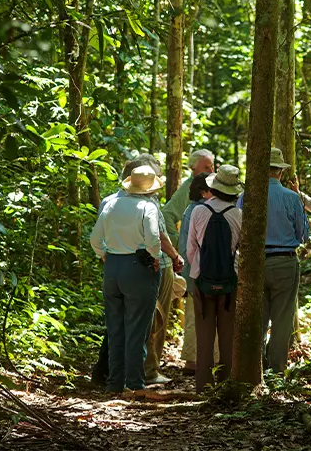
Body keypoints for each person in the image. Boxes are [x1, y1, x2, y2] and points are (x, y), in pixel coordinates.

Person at [91, 155, 183, 386]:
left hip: (112, 267)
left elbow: (94, 239)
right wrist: (154, 258)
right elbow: (154, 240)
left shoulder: (110, 203)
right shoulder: (147, 207)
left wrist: (105, 255)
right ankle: (134, 382)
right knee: (138, 329)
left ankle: (114, 382)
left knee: (115, 328)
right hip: (138, 269)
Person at [237, 148, 308, 372]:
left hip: (256, 263)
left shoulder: (247, 195)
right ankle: (277, 369)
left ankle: (255, 368)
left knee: (258, 318)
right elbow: (303, 234)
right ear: (279, 172)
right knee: (282, 319)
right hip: (285, 261)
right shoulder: (291, 197)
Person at [186, 165, 243, 393]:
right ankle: (226, 385)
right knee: (228, 338)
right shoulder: (239, 215)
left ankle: (204, 388)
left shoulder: (199, 211)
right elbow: (242, 251)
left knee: (205, 338)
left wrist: (199, 269)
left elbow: (191, 248)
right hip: (230, 283)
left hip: (202, 282)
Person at [178, 173, 219, 373]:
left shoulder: (190, 210)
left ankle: (192, 359)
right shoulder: (206, 210)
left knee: (194, 316)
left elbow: (184, 245)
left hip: (195, 271)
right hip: (207, 272)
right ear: (204, 191)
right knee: (212, 315)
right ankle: (212, 359)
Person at [163, 149, 216, 248]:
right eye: (206, 167)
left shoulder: (216, 184)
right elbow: (166, 215)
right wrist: (179, 242)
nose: (211, 171)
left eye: (212, 166)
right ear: (193, 168)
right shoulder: (187, 188)